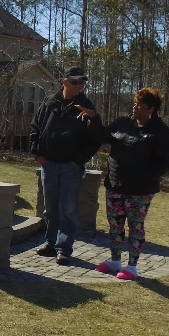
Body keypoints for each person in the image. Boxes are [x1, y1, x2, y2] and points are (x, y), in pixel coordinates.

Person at [77, 87, 169, 281]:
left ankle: (132, 266)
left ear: (151, 109)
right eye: (135, 103)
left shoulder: (160, 132)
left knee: (135, 226)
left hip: (140, 190)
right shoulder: (122, 123)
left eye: (140, 105)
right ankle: (114, 260)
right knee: (115, 224)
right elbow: (102, 136)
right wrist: (93, 118)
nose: (135, 107)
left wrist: (144, 177)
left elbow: (164, 162)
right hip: (115, 185)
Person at [29, 66, 102, 265]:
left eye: (82, 82)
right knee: (50, 208)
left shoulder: (86, 107)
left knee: (68, 210)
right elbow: (35, 128)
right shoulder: (50, 102)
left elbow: (96, 139)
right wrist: (37, 154)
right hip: (49, 164)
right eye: (75, 82)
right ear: (65, 82)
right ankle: (50, 243)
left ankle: (64, 249)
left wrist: (78, 160)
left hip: (70, 167)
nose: (79, 86)